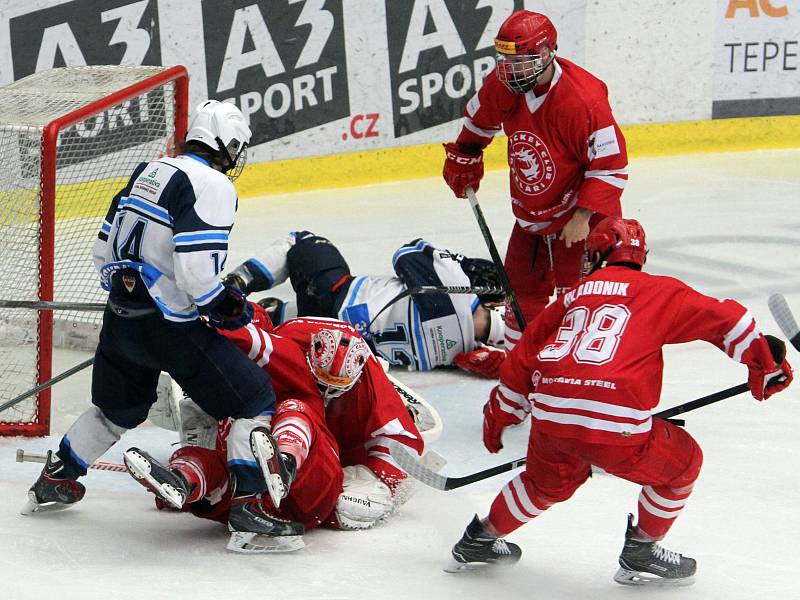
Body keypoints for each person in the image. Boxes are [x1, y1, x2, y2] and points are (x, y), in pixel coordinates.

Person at [446, 217, 793, 585]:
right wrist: (767, 364)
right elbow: (727, 319)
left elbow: (523, 359)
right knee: (683, 465)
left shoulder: (572, 296)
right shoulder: (659, 290)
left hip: (552, 415)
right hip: (614, 424)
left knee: (542, 483)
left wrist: (501, 415)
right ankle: (641, 550)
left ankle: (479, 539)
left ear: (595, 256)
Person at [23, 100, 300, 544]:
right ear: (227, 145)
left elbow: (102, 250)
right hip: (169, 326)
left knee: (119, 408)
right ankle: (249, 511)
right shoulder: (210, 184)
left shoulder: (146, 170)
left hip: (120, 317)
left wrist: (134, 290)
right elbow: (195, 274)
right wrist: (224, 306)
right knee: (253, 397)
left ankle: (58, 477)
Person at [123, 304, 425, 553]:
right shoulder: (283, 353)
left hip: (303, 489)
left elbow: (399, 440)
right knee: (221, 459)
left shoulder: (281, 356)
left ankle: (269, 467)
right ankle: (184, 481)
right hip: (258, 505)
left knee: (289, 413)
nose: (326, 393)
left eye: (336, 388)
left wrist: (378, 486)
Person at [442, 10, 628, 352]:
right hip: (533, 213)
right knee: (519, 296)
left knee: (580, 299)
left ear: (545, 54)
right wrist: (466, 152)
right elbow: (480, 121)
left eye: (521, 61)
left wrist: (582, 217)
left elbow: (611, 165)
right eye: (506, 61)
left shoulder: (582, 100)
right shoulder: (506, 85)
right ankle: (519, 363)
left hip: (580, 218)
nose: (510, 70)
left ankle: (577, 362)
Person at [222, 231, 508, 378]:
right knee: (296, 321)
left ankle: (233, 288)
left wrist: (461, 266)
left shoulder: (456, 294)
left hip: (331, 295)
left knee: (300, 241)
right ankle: (273, 316)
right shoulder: (461, 355)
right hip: (329, 346)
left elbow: (406, 254)